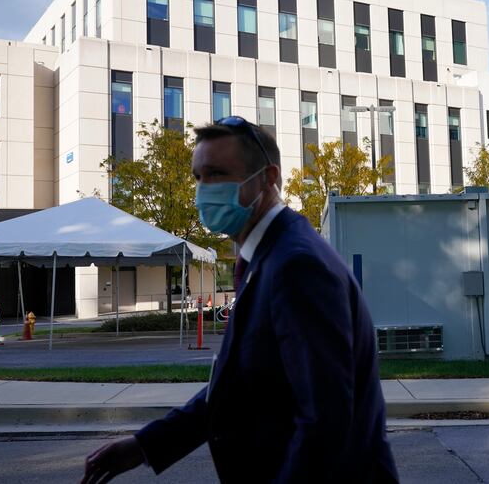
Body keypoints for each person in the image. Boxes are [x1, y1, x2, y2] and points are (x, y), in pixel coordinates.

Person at [81, 117, 398, 483]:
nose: (203, 189)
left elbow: (324, 423)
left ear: (267, 178)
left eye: (217, 174)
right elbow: (239, 385)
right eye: (198, 176)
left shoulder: (296, 265)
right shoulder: (263, 257)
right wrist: (145, 445)